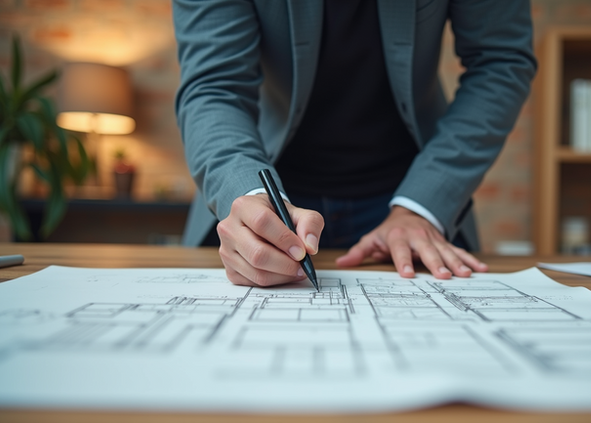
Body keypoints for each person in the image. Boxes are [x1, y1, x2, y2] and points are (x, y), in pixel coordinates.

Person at [173, 0, 536, 287]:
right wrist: (250, 194)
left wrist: (420, 206)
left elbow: (500, 61)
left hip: (412, 186)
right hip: (272, 184)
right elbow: (214, 87)